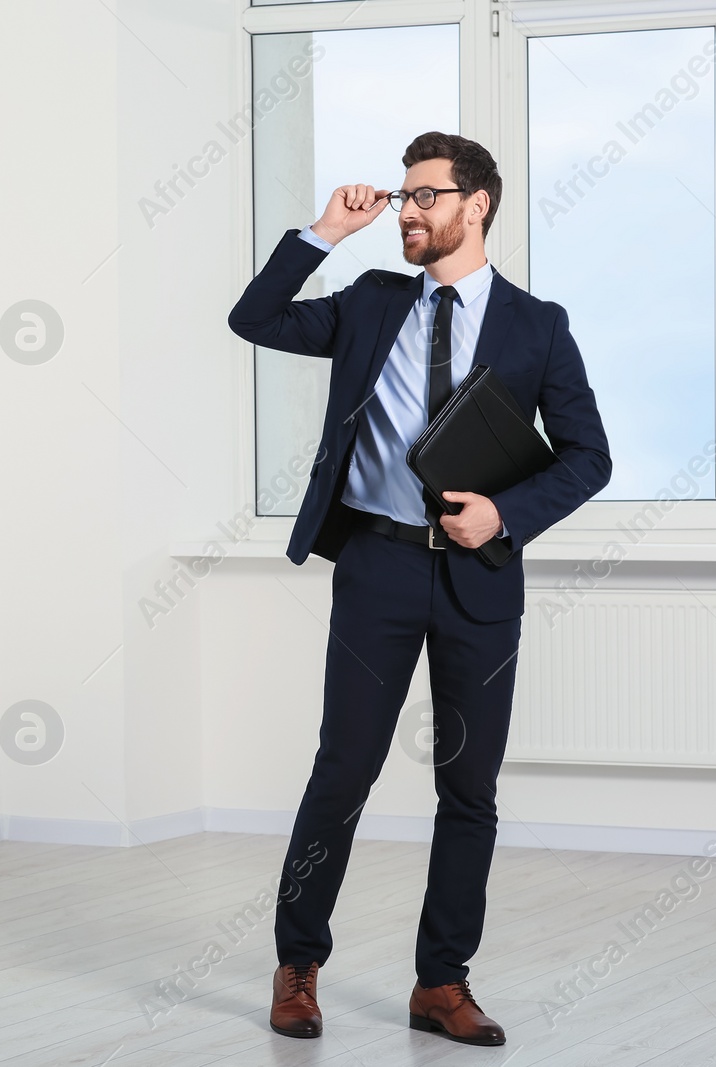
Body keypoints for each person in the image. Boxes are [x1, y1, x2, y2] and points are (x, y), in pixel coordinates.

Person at [226, 131, 612, 1046]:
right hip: (379, 568)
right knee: (343, 772)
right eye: (403, 196)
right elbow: (254, 319)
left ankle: (441, 982)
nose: (406, 210)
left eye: (425, 196)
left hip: (478, 574)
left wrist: (503, 515)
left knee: (468, 787)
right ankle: (298, 964)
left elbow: (590, 456)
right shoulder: (369, 302)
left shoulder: (538, 325)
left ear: (477, 204)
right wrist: (323, 232)